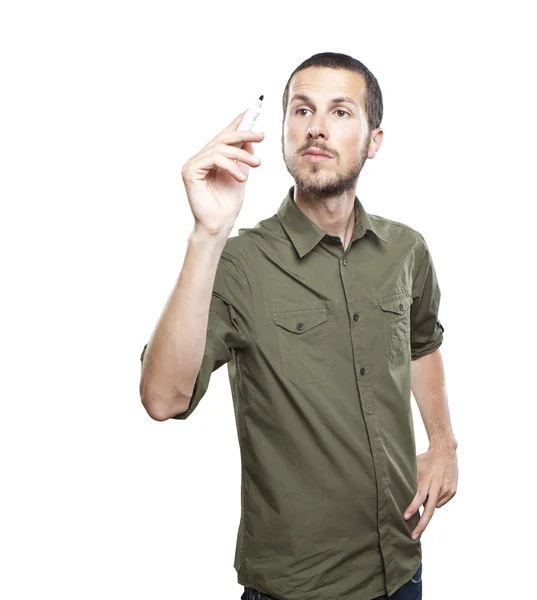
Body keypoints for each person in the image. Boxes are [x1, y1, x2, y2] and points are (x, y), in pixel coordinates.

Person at [139, 52, 458, 600]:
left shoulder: (406, 249)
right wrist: (207, 235)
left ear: (374, 139)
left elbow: (420, 341)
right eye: (302, 109)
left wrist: (443, 441)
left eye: (339, 112)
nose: (315, 127)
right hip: (297, 589)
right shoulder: (237, 264)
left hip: (402, 569)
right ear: (284, 129)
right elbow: (162, 398)